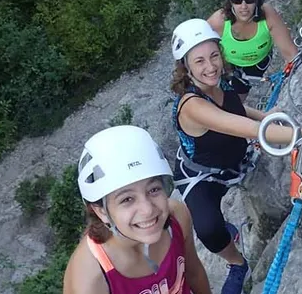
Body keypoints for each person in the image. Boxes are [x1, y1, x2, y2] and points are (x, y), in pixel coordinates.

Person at [168, 18, 302, 294]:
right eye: (199, 61)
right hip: (203, 176)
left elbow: (235, 108)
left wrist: (264, 114)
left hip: (236, 161)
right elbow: (250, 129)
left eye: (214, 56)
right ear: (186, 67)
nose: (210, 66)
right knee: (209, 230)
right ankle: (237, 263)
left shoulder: (220, 82)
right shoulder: (192, 105)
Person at [63, 125, 212, 294]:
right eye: (127, 199)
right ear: (101, 211)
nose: (147, 210)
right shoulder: (88, 278)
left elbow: (194, 274)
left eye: (153, 190)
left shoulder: (177, 216)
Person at [207, 0, 299, 102]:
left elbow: (291, 54)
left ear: (257, 0)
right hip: (227, 64)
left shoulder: (268, 16)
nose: (244, 6)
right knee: (215, 98)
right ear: (230, 2)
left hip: (256, 65)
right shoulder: (218, 22)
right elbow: (197, 49)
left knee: (236, 101)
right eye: (237, 0)